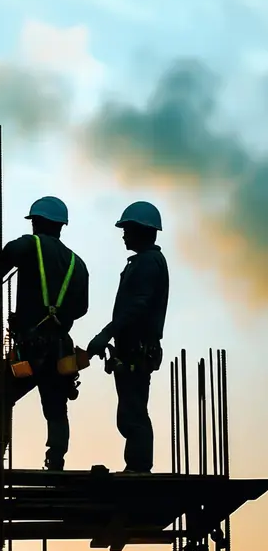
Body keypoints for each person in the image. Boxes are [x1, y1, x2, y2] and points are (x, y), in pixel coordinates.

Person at [0, 196, 89, 471]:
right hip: (61, 351)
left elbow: (10, 251)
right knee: (56, 410)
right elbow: (82, 308)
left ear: (36, 222)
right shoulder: (78, 264)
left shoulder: (31, 245)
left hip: (31, 349)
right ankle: (56, 464)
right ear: (61, 225)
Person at [87, 201, 169, 474]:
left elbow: (137, 306)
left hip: (136, 349)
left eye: (127, 229)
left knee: (133, 414)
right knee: (131, 412)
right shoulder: (145, 262)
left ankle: (138, 468)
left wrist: (106, 333)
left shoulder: (147, 263)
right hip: (132, 349)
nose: (123, 235)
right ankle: (136, 466)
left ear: (143, 231)